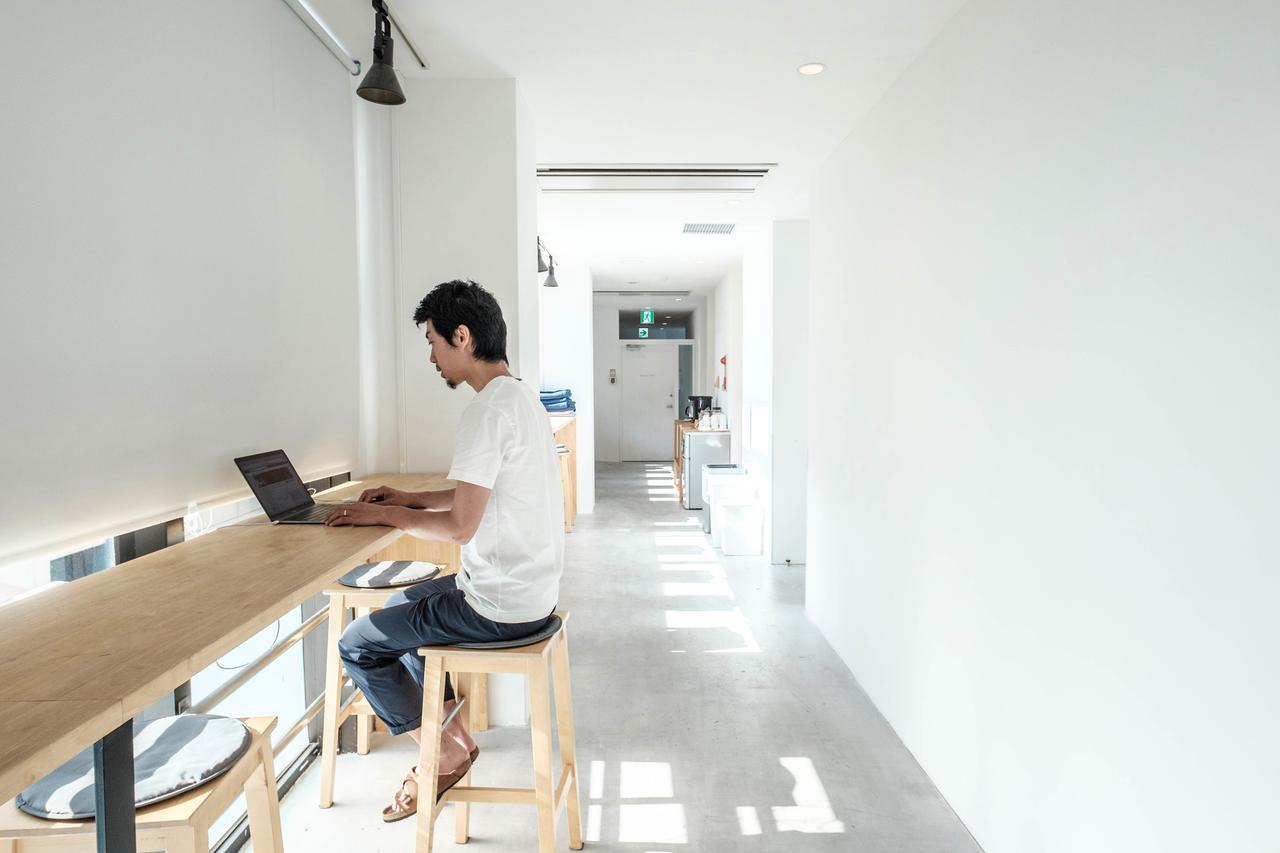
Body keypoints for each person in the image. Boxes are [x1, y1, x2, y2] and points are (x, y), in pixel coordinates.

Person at [325, 279, 564, 822]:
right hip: (531, 595)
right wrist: (408, 499)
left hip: (498, 607)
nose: (431, 357)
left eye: (433, 341)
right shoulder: (520, 396)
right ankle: (450, 740)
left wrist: (385, 513)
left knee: (357, 645)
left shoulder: (485, 412)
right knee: (392, 610)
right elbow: (479, 492)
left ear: (462, 336)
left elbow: (459, 527)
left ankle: (442, 752)